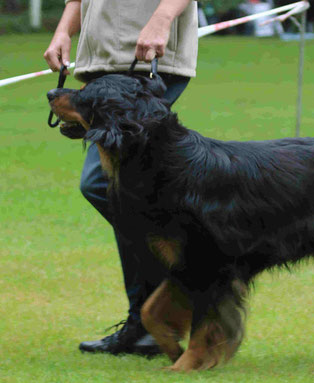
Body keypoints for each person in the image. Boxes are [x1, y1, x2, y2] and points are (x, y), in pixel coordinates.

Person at [44, 0, 198, 356]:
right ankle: (149, 320)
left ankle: (183, 281)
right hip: (102, 63)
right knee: (125, 190)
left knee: (109, 185)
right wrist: (64, 30)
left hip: (148, 56)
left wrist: (161, 19)